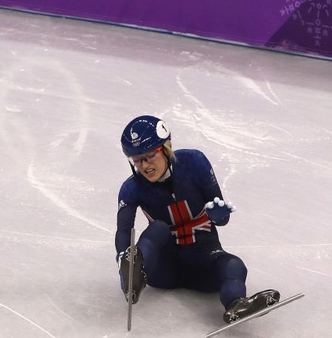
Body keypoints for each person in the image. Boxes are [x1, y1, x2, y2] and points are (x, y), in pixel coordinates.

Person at [115, 115, 277, 323]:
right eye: (136, 160)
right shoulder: (131, 188)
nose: (145, 165)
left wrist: (220, 216)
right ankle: (134, 271)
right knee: (159, 228)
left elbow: (222, 218)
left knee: (234, 264)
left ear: (166, 148)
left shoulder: (194, 162)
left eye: (149, 156)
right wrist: (124, 262)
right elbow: (123, 231)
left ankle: (236, 304)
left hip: (203, 260)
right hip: (163, 269)